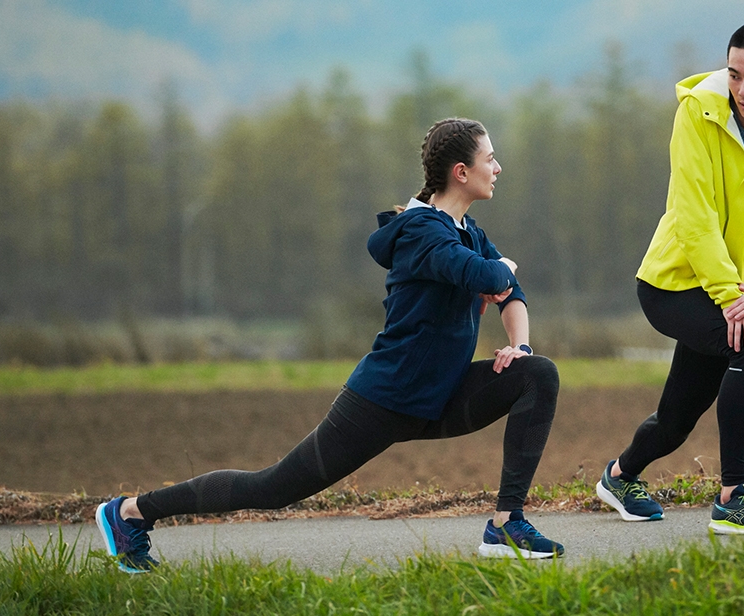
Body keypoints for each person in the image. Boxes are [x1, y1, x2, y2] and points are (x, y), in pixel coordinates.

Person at [96, 118, 566, 573]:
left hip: (440, 394)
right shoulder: (422, 231)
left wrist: (518, 346)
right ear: (461, 172)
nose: (498, 167)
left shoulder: (469, 233)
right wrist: (500, 268)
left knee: (536, 373)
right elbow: (489, 275)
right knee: (273, 488)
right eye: (491, 158)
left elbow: (510, 293)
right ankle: (132, 512)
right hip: (387, 396)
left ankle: (506, 525)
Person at [595, 20, 744, 535]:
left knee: (677, 420)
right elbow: (693, 215)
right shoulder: (696, 115)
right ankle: (733, 497)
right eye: (734, 75)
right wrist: (732, 300)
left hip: (740, 292)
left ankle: (619, 476)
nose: (742, 90)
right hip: (673, 284)